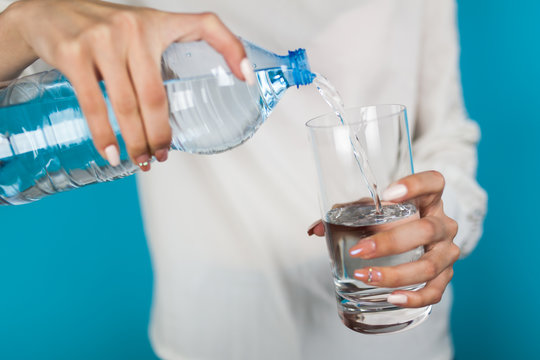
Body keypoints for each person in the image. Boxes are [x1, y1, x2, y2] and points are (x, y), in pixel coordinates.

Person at [0, 0, 487, 359]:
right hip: (217, 336)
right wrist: (20, 24)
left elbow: (446, 134)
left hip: (398, 337)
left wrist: (442, 227)